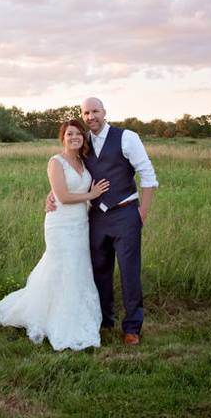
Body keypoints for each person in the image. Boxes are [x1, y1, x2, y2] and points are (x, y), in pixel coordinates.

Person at [46, 97, 158, 345]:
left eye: (95, 111)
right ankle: (105, 320)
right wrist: (52, 194)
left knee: (129, 272)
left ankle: (132, 327)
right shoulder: (83, 144)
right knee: (99, 271)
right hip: (95, 216)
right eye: (86, 113)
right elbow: (70, 173)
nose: (90, 117)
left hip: (126, 213)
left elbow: (148, 175)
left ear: (104, 112)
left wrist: (143, 212)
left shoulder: (127, 137)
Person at [0, 119, 110, 351]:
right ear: (63, 138)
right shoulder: (55, 161)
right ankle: (54, 319)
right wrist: (92, 194)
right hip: (60, 224)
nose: (74, 137)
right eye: (69, 134)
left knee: (77, 268)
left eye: (78, 133)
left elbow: (61, 189)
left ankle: (78, 315)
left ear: (83, 138)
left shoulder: (83, 161)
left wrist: (52, 193)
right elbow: (64, 197)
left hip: (80, 223)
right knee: (61, 267)